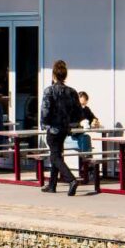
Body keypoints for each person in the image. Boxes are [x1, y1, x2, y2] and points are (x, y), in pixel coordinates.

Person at [40, 61, 83, 195]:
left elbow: (45, 111)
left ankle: (71, 179)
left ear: (53, 74)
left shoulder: (49, 90)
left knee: (54, 156)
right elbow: (79, 112)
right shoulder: (72, 91)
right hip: (65, 128)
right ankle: (52, 185)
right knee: (57, 153)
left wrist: (44, 123)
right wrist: (72, 122)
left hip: (53, 127)